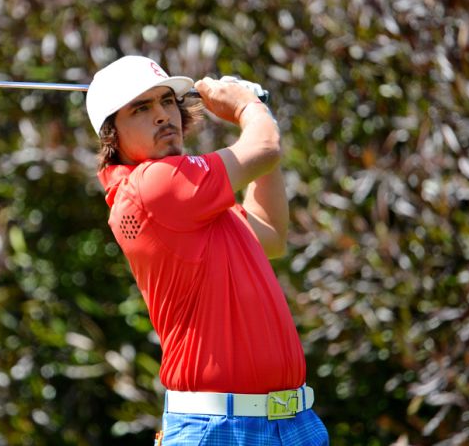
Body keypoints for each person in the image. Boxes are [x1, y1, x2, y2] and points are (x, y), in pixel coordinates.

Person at [85, 55, 329, 445]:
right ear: (111, 134)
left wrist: (260, 118)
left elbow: (269, 234)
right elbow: (264, 147)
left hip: (293, 424)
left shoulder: (195, 203)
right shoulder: (154, 186)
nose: (164, 115)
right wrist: (249, 107)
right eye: (141, 108)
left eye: (167, 101)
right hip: (219, 429)